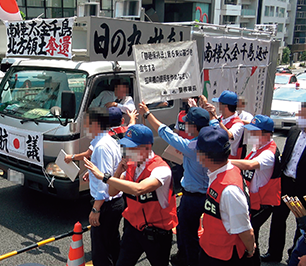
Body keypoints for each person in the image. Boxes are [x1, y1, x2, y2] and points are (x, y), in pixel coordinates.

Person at [84, 124, 178, 266]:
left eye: (132, 147)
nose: (127, 151)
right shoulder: (131, 165)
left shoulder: (161, 169)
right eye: (126, 147)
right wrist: (117, 172)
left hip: (156, 233)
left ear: (146, 148)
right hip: (133, 229)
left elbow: (139, 189)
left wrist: (104, 177)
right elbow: (112, 192)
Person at [139, 100, 212, 266]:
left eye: (188, 123)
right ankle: (185, 256)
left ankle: (188, 260)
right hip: (208, 193)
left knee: (188, 233)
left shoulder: (193, 147)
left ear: (194, 126)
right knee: (190, 229)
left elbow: (166, 133)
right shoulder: (212, 137)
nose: (185, 125)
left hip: (193, 197)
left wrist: (148, 114)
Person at [194, 126, 256, 266]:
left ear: (203, 156)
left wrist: (251, 250)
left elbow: (245, 230)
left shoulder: (230, 191)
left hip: (223, 256)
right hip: (211, 247)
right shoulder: (225, 170)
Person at [262, 101, 306, 263]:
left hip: (305, 186)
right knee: (278, 218)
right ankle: (274, 252)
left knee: (303, 223)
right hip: (286, 182)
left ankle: (296, 254)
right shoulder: (293, 131)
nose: (299, 117)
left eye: (303, 115)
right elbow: (286, 156)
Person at [230, 115, 281, 266]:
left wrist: (223, 161)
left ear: (266, 134)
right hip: (252, 200)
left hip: (262, 204)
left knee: (247, 234)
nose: (251, 135)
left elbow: (250, 165)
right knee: (250, 235)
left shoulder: (269, 153)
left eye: (254, 132)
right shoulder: (259, 146)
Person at [82, 107, 125, 266]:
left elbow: (104, 181)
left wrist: (96, 209)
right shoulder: (109, 139)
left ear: (95, 124)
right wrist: (91, 173)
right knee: (112, 243)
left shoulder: (100, 146)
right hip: (115, 201)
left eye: (86, 124)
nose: (84, 128)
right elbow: (111, 170)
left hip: (107, 204)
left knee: (101, 252)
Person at [64, 108, 138, 164]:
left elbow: (87, 155)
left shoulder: (103, 137)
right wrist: (132, 117)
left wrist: (71, 157)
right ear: (122, 121)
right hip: (127, 167)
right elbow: (132, 123)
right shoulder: (128, 130)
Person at [211, 91, 245, 159]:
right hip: (216, 156)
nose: (218, 106)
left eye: (220, 104)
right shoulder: (221, 117)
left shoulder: (238, 123)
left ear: (225, 106)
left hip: (229, 160)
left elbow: (229, 135)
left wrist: (218, 121)